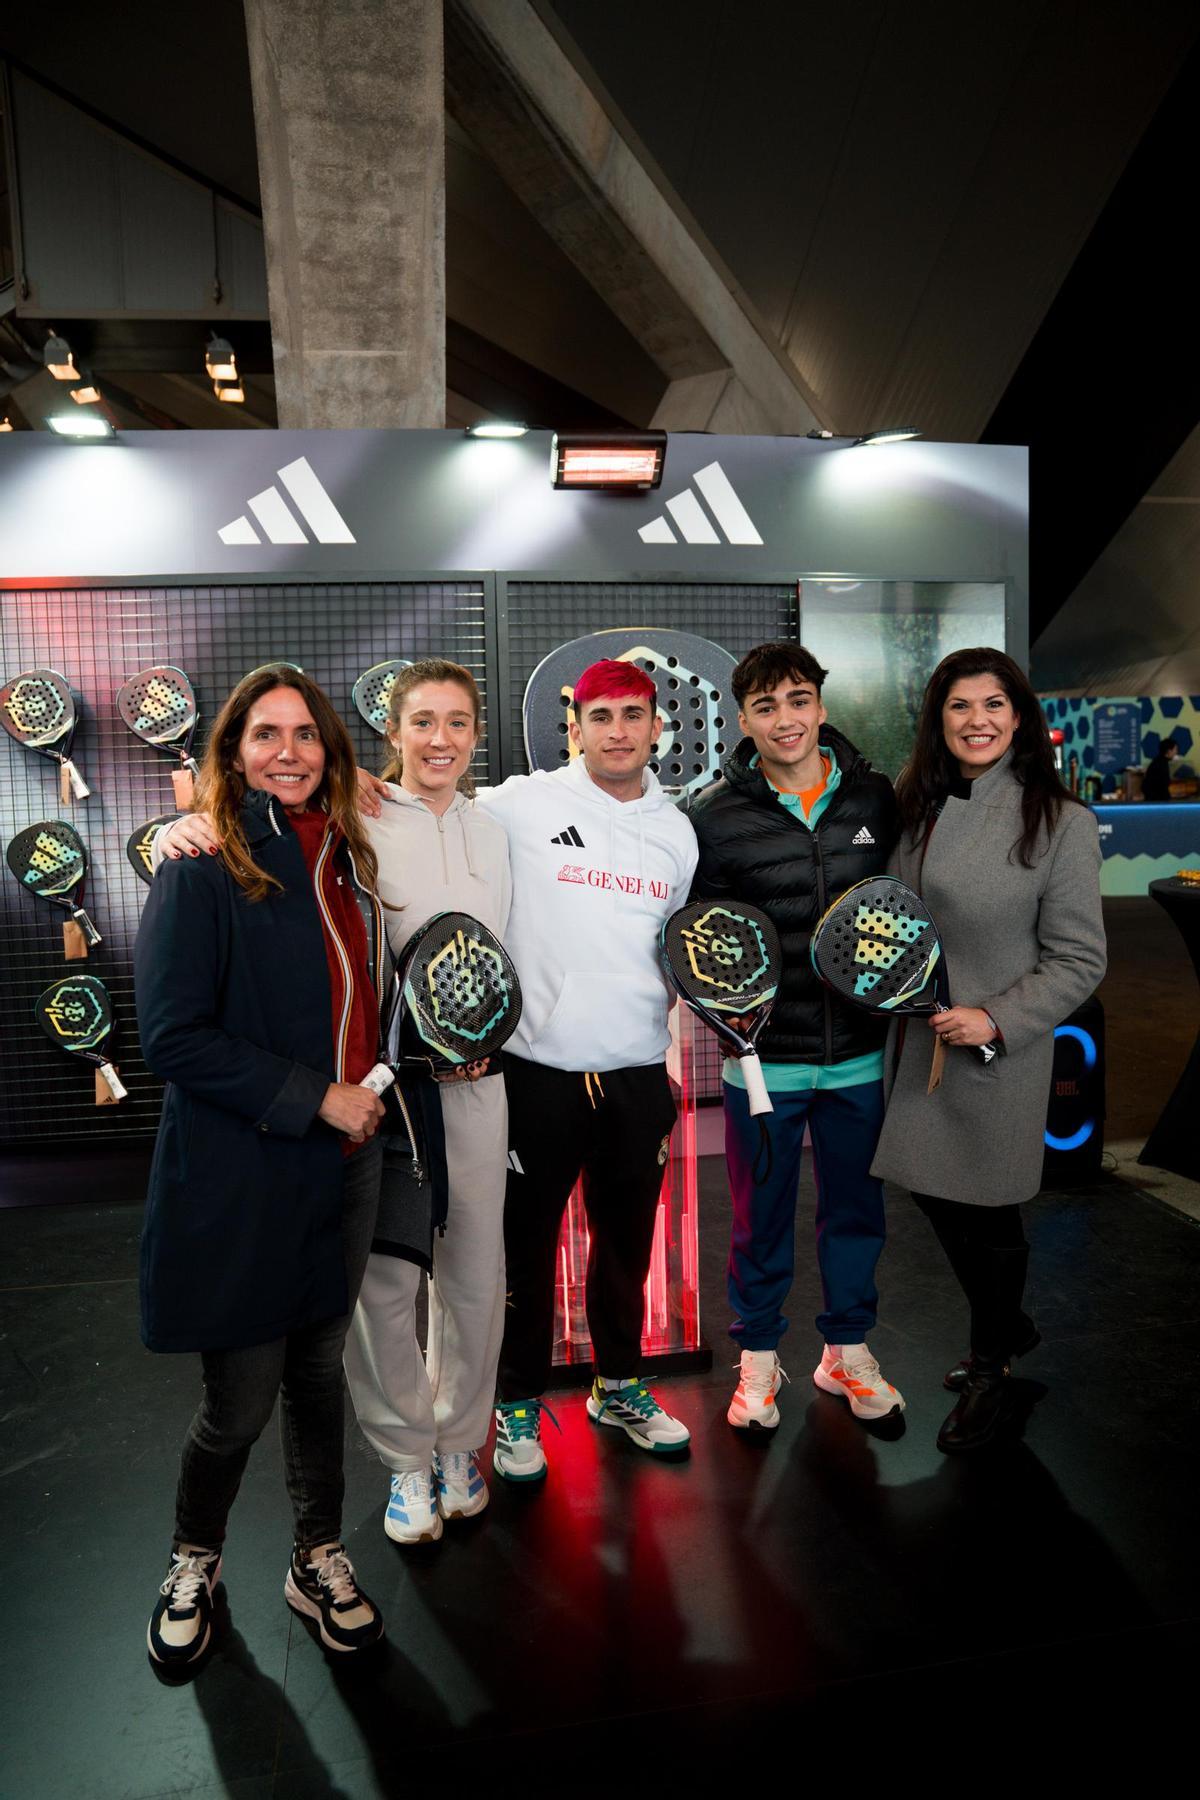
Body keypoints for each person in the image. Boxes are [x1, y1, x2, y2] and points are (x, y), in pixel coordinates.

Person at [157, 660, 511, 1548]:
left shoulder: (491, 825)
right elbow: (178, 1020)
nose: (440, 739)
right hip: (378, 1103)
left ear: (477, 733)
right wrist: (176, 829)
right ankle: (405, 1460)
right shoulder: (358, 820)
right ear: (392, 732)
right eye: (422, 721)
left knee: (473, 1282)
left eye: (458, 722)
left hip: (466, 1092)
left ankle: (460, 1445)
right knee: (379, 1294)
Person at [136, 666, 393, 1672]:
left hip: (345, 1167)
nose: (288, 752)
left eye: (305, 734)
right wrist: (315, 1098)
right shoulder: (200, 863)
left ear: (330, 749)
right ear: (234, 752)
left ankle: (316, 1555)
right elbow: (172, 1037)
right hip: (247, 1171)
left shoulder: (348, 855)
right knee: (239, 1403)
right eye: (265, 734)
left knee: (320, 1376)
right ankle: (192, 1558)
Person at [871, 647, 1106, 1452]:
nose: (978, 721)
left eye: (994, 704)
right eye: (960, 705)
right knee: (933, 1191)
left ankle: (991, 1364)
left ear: (1019, 716)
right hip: (920, 1045)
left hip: (995, 1050)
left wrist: (995, 1020)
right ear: (939, 719)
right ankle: (1007, 1327)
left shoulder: (1060, 821)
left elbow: (1079, 958)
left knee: (989, 1207)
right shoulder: (920, 805)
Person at [480, 659, 699, 1479]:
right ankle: (515, 1404)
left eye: (633, 715)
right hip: (537, 1074)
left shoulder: (677, 831)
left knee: (626, 1249)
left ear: (656, 728)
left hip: (637, 1073)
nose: (618, 731)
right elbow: (419, 811)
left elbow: (674, 950)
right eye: (601, 716)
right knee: (525, 1252)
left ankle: (619, 1386)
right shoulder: (519, 803)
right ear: (574, 728)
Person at [688, 642, 905, 1433]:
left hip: (858, 1056)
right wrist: (733, 1022)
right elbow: (702, 941)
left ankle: (846, 1352)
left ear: (820, 705)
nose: (786, 718)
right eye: (767, 706)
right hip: (763, 1064)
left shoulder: (875, 798)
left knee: (856, 1213)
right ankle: (757, 1362)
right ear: (743, 721)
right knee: (760, 1219)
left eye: (799, 699)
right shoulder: (713, 816)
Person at [1141, 735, 1178, 803]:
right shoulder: (1161, 764)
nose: (1176, 752)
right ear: (1169, 751)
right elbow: (1163, 784)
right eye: (1175, 749)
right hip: (1157, 801)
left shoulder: (1158, 761)